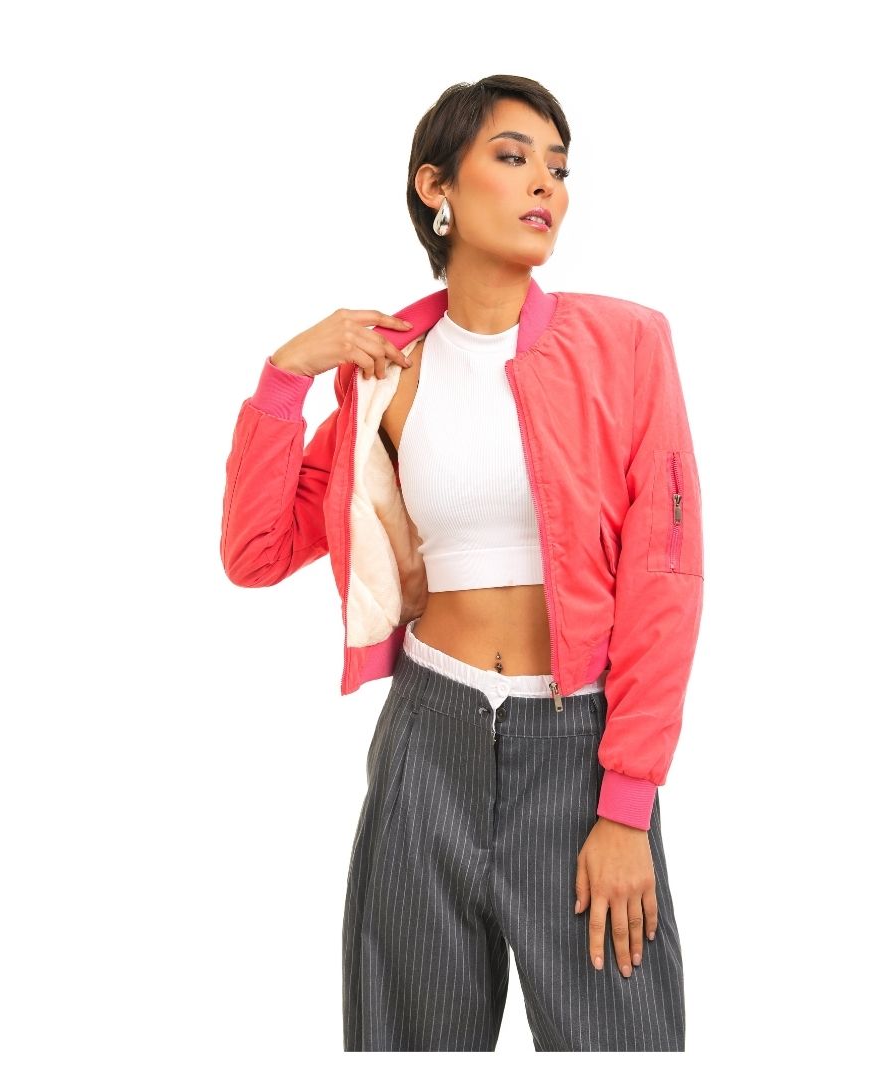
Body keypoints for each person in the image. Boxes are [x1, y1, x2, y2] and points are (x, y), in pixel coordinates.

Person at [220, 74, 704, 1052]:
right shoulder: (383, 370)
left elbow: (665, 578)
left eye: (558, 167)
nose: (546, 185)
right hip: (427, 742)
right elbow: (256, 552)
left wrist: (625, 804)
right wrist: (285, 378)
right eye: (513, 157)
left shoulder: (625, 344)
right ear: (436, 186)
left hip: (580, 751)